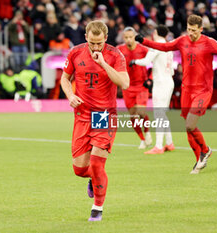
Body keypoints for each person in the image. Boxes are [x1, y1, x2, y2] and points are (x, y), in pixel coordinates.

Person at [135, 14, 217, 174]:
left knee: (190, 125)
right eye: (189, 29)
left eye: (194, 30)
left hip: (202, 90)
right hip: (187, 89)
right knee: (188, 129)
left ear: (201, 29)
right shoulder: (182, 41)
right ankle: (199, 160)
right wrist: (144, 41)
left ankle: (206, 151)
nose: (191, 33)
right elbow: (165, 47)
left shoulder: (209, 42)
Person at [60, 20, 129, 221]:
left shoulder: (115, 55)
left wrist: (103, 63)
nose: (96, 47)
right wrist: (70, 96)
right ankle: (93, 179)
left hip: (103, 115)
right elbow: (65, 78)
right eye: (92, 43)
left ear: (106, 38)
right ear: (86, 38)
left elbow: (124, 82)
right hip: (82, 115)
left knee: (97, 164)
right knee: (80, 169)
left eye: (99, 43)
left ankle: (97, 208)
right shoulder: (75, 53)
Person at [130, 25, 175, 154]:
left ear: (155, 32)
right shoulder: (169, 47)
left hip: (161, 82)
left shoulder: (156, 45)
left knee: (158, 114)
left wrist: (134, 61)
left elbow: (146, 61)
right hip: (168, 80)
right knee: (163, 114)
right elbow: (171, 68)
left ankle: (159, 146)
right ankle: (169, 143)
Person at [117, 27, 152, 149]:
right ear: (123, 38)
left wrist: (150, 78)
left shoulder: (143, 49)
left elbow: (154, 61)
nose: (128, 40)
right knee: (132, 115)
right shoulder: (119, 50)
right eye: (126, 37)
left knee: (141, 112)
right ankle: (142, 139)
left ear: (135, 37)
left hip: (141, 85)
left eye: (130, 37)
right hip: (127, 86)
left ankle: (147, 132)